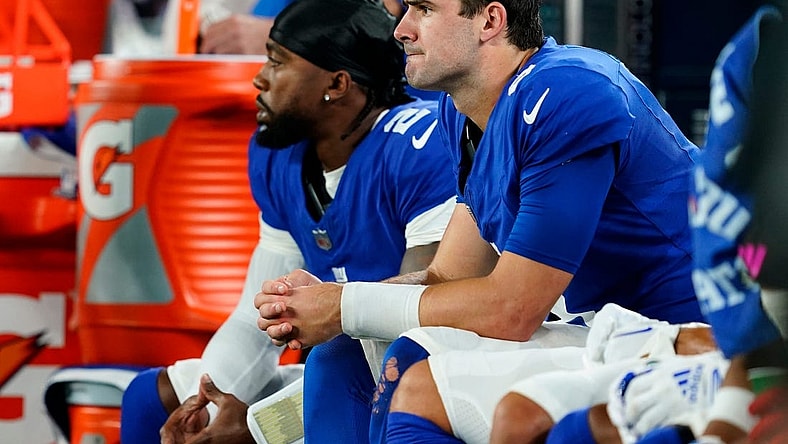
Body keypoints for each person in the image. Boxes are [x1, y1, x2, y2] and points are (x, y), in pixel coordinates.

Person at [254, 0, 705, 442]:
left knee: (419, 375)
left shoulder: (567, 91)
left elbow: (513, 309)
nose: (401, 28)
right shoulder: (462, 111)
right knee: (343, 351)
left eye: (424, 9)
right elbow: (448, 275)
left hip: (683, 334)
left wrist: (345, 305)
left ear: (490, 19)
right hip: (600, 331)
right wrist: (332, 304)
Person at [119, 0, 457, 442]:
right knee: (151, 397)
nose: (259, 78)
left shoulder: (417, 148)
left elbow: (420, 327)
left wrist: (258, 427)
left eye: (277, 64)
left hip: (422, 365)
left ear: (336, 83)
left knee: (333, 365)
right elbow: (252, 319)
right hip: (345, 368)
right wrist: (212, 403)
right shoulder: (280, 154)